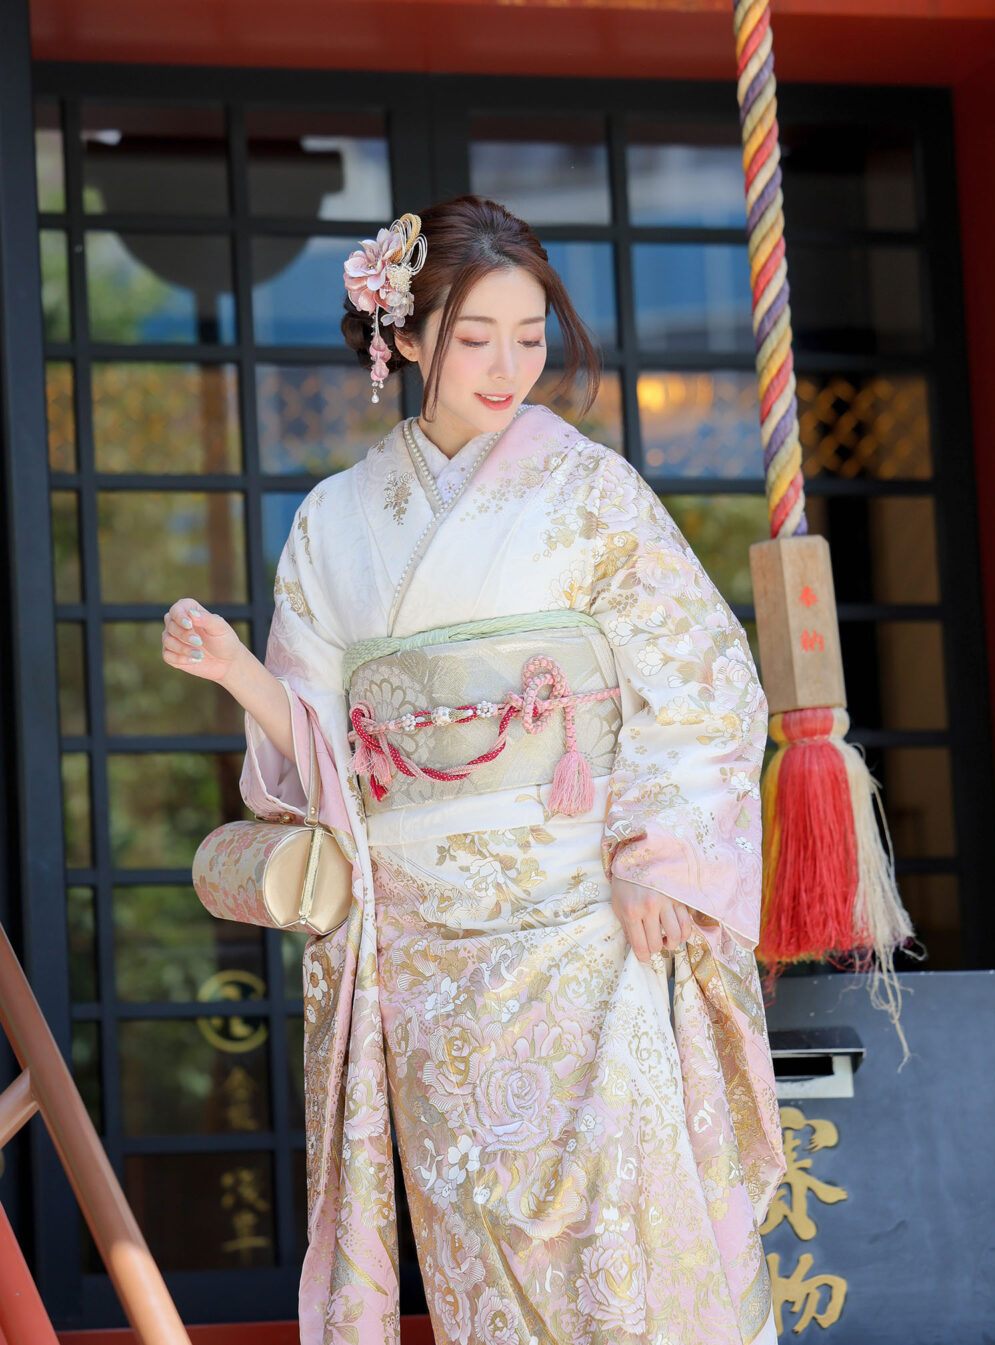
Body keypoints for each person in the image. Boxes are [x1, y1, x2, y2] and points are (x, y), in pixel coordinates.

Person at [163, 196, 786, 1345]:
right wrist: (240, 674)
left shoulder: (591, 494)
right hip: (424, 951)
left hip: (585, 925)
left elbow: (702, 678)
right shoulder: (334, 521)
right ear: (403, 337)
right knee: (477, 1255)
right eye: (476, 337)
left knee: (627, 1236)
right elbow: (326, 755)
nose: (509, 367)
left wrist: (656, 855)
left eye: (530, 336)